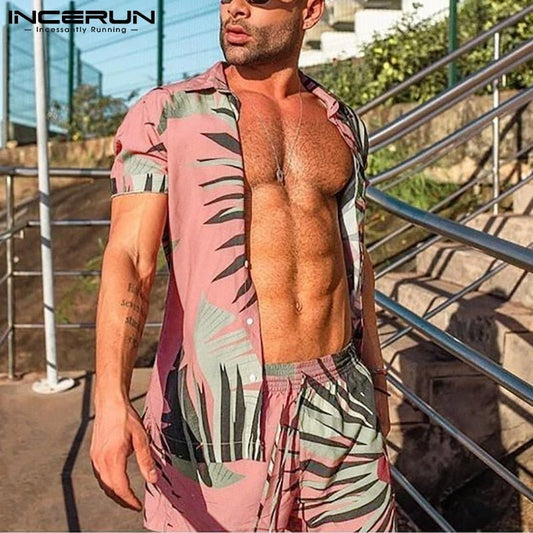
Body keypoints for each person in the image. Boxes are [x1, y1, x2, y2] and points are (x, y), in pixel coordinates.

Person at [90, 0, 398, 530]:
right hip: (218, 409)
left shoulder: (342, 123)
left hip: (341, 399)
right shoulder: (167, 114)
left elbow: (355, 260)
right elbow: (131, 258)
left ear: (309, 10)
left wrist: (376, 379)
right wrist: (112, 400)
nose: (234, 8)